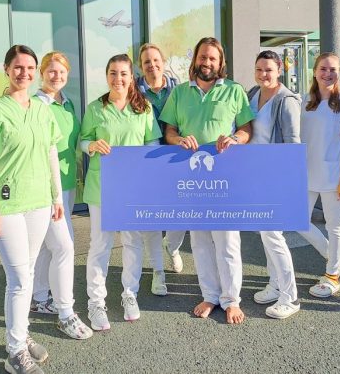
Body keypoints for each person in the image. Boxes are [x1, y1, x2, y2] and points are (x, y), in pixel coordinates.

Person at [0, 45, 90, 374]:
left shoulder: (42, 110)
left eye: (30, 68)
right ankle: (15, 353)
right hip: (7, 207)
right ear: (7, 69)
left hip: (39, 204)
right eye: (18, 67)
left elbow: (51, 154)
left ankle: (20, 336)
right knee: (20, 278)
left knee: (30, 272)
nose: (24, 73)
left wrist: (56, 199)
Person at [159, 37, 253, 325]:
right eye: (203, 57)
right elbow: (169, 131)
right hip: (191, 178)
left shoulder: (235, 91)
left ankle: (231, 300)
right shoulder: (179, 93)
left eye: (212, 58)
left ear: (220, 62)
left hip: (224, 177)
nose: (207, 62)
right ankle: (210, 295)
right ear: (195, 60)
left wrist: (235, 138)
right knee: (200, 241)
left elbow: (246, 129)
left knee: (227, 240)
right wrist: (178, 139)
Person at [82, 54, 162, 331]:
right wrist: (91, 146)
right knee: (100, 245)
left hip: (132, 187)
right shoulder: (95, 108)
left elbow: (153, 142)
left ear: (131, 77)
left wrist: (142, 160)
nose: (118, 79)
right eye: (113, 73)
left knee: (132, 241)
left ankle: (130, 294)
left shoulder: (144, 108)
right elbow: (83, 140)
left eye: (123, 73)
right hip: (101, 186)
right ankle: (96, 302)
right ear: (107, 76)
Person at [29, 52, 92, 338]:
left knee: (47, 246)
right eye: (51, 71)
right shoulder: (35, 105)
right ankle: (66, 312)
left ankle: (40, 298)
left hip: (66, 183)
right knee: (64, 246)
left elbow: (75, 142)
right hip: (45, 188)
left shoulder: (67, 104)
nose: (57, 76)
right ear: (42, 73)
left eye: (62, 72)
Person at [298, 52, 340, 298]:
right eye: (323, 69)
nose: (327, 73)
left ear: (339, 73)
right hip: (305, 173)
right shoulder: (304, 101)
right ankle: (332, 254)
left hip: (333, 174)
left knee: (335, 225)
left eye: (333, 69)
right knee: (296, 220)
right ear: (314, 72)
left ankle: (332, 275)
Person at [247, 50, 302, 319]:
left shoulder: (286, 100)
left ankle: (290, 296)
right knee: (265, 235)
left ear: (279, 70)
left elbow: (293, 144)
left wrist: (289, 182)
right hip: (254, 175)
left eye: (268, 69)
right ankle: (275, 284)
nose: (263, 74)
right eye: (259, 69)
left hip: (275, 176)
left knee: (272, 235)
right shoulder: (252, 94)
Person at [135, 43, 184, 298]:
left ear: (163, 62)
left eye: (156, 61)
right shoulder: (133, 92)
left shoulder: (179, 90)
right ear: (140, 66)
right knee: (151, 221)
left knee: (181, 217)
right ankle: (157, 272)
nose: (152, 66)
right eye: (146, 62)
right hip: (148, 162)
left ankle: (172, 247)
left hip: (177, 159)